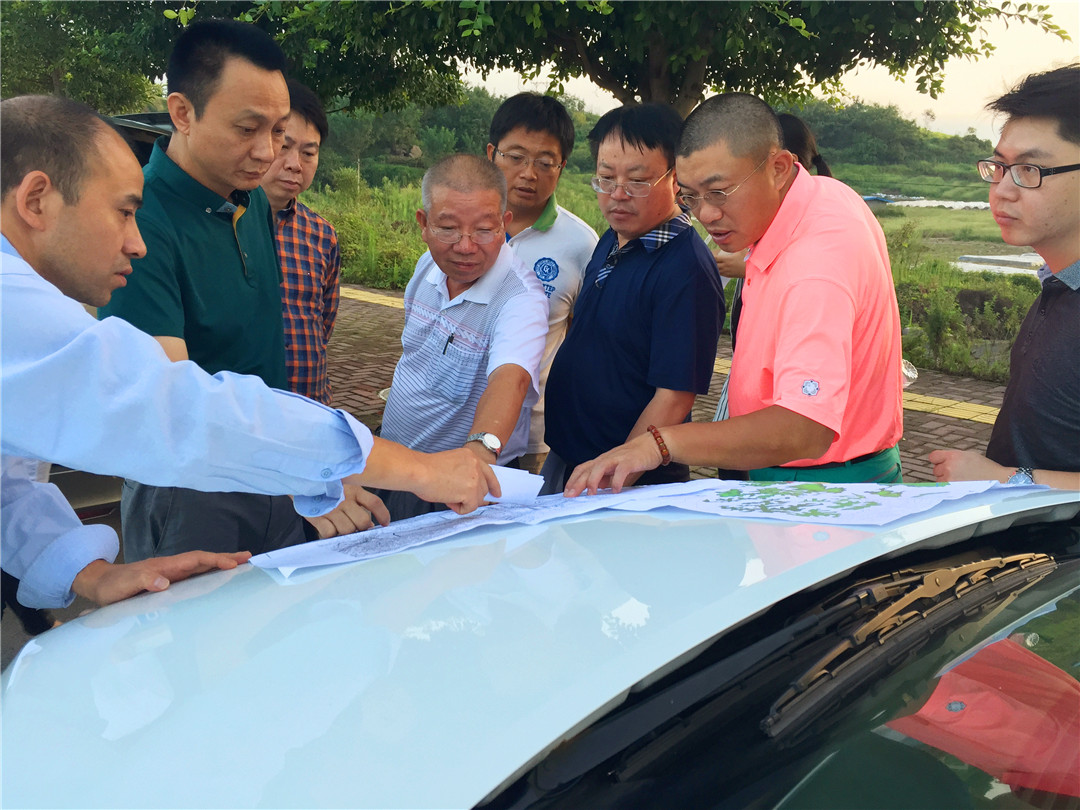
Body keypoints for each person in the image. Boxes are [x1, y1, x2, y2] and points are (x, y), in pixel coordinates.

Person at [0, 94, 500, 609]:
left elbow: (7, 480)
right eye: (123, 213)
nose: (136, 242)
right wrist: (418, 471)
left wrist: (86, 571)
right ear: (36, 200)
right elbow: (179, 409)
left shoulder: (260, 212)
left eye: (281, 136)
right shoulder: (12, 304)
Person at [99, 19, 380, 562]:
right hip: (190, 489)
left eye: (277, 131)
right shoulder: (142, 219)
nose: (267, 152)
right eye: (248, 128)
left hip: (271, 470)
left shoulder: (247, 202)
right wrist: (309, 464)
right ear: (183, 113)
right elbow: (174, 405)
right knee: (197, 618)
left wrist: (296, 469)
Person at [566, 93, 904, 495]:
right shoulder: (818, 195)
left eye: (719, 192)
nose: (706, 215)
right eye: (691, 196)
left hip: (823, 487)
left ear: (779, 168)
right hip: (802, 471)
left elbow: (805, 427)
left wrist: (660, 444)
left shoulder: (815, 267)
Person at [543, 103, 726, 491]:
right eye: (606, 178)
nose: (618, 194)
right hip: (572, 456)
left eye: (638, 181)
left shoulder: (686, 271)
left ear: (676, 179)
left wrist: (615, 476)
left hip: (625, 481)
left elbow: (674, 397)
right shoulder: (614, 238)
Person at [930, 64, 1080, 490]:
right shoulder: (1058, 285)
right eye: (999, 167)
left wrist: (1005, 479)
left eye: (1030, 170)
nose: (1002, 191)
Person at [377, 154, 549, 520]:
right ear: (423, 224)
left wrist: (479, 454)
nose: (466, 246)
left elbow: (511, 379)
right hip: (392, 464)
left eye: (484, 230)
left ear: (505, 224)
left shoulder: (521, 298)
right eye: (448, 229)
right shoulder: (427, 266)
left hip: (452, 489)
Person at [486, 93, 599, 474]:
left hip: (534, 437)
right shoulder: (464, 227)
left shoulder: (581, 245)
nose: (528, 173)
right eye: (516, 157)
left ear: (562, 167)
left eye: (545, 162)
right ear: (492, 154)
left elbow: (584, 343)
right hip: (453, 427)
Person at [262, 79, 340, 406]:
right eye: (284, 146)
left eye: (308, 153)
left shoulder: (322, 235)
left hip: (310, 406)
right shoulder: (220, 223)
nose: (295, 164)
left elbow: (324, 324)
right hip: (248, 411)